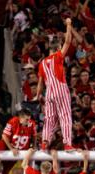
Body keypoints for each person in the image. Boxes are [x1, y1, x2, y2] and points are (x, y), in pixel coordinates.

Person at [34, 18, 74, 151]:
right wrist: (68, 24)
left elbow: (40, 83)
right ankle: (67, 144)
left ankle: (44, 143)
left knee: (49, 119)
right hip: (60, 89)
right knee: (65, 116)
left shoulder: (42, 63)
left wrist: (37, 96)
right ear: (57, 47)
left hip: (49, 93)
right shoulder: (57, 56)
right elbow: (68, 41)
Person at [0, 108, 36, 174]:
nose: (29, 121)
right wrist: (11, 148)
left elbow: (34, 136)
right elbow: (4, 136)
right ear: (21, 118)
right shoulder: (13, 121)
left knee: (6, 170)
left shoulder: (32, 123)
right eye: (26, 119)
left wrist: (34, 146)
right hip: (10, 146)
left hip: (21, 149)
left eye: (29, 119)